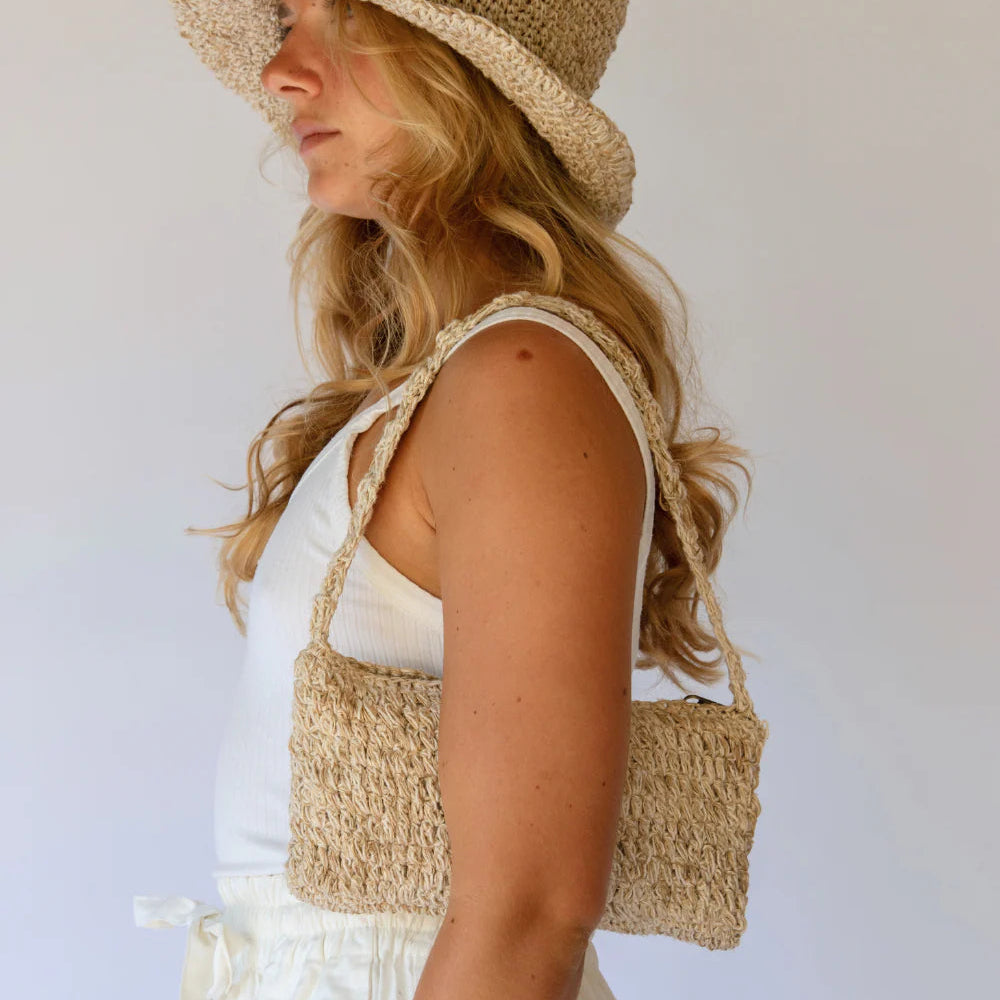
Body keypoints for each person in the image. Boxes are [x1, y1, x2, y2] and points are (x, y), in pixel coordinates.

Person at [134, 2, 754, 997]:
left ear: (463, 66)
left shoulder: (521, 374)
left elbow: (529, 913)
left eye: (336, 18)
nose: (281, 72)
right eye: (286, 19)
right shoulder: (453, 378)